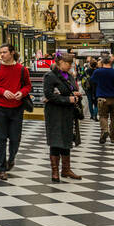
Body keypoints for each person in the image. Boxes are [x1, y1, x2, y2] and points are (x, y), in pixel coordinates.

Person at [0, 44, 31, 182]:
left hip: (17, 108)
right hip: (0, 107)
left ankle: (11, 159)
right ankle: (1, 169)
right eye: (1, 52)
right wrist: (3, 91)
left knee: (15, 138)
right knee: (1, 139)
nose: (2, 55)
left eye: (5, 52)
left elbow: (28, 86)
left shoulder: (22, 69)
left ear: (12, 53)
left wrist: (21, 93)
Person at [43, 51, 83, 183]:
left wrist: (75, 94)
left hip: (68, 113)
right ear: (59, 63)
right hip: (54, 113)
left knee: (66, 139)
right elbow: (49, 95)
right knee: (55, 140)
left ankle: (66, 169)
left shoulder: (70, 76)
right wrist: (68, 99)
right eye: (68, 63)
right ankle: (55, 171)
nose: (70, 66)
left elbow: (68, 91)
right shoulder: (50, 76)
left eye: (71, 63)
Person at [91, 54, 114, 146]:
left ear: (102, 62)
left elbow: (92, 81)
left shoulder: (98, 72)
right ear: (111, 62)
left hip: (102, 99)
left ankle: (104, 131)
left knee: (103, 116)